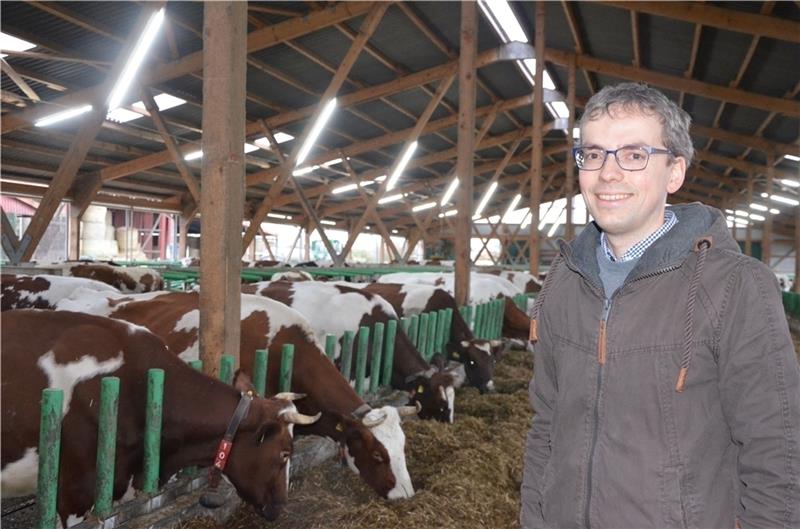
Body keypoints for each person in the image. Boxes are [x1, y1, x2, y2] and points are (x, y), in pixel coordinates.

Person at [520, 82, 800, 529]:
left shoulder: (736, 286)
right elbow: (546, 426)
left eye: (634, 155)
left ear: (674, 173)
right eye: (593, 154)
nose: (608, 173)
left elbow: (779, 451)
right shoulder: (562, 283)